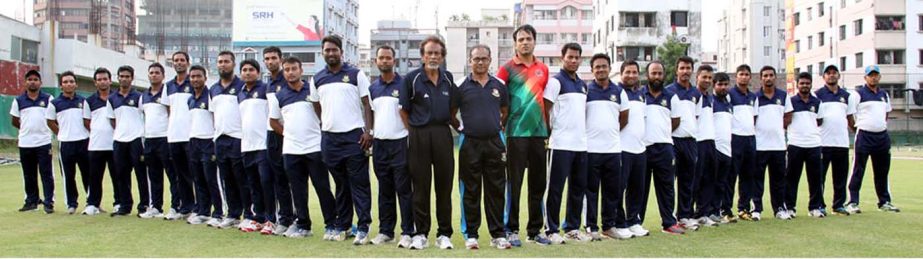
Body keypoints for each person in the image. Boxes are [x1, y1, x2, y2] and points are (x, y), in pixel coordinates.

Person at [310, 35, 374, 244]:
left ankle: (364, 226)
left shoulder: (356, 74)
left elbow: (367, 104)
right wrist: (326, 124)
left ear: (341, 51)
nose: (330, 53)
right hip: (330, 139)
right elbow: (317, 105)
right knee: (340, 185)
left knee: (359, 184)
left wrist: (368, 131)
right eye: (327, 50)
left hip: (355, 137)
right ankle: (344, 226)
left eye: (334, 50)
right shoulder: (317, 78)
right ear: (323, 53)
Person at [399, 36, 458, 250]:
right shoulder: (411, 79)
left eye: (437, 53)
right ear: (422, 56)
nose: (433, 56)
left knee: (444, 186)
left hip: (443, 134)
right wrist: (414, 132)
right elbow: (403, 110)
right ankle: (421, 233)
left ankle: (444, 234)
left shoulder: (448, 78)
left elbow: (453, 109)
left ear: (442, 56)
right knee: (421, 187)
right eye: (429, 53)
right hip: (419, 135)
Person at [269, 56, 337, 238]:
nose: (290, 73)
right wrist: (289, 134)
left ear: (301, 71)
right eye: (287, 69)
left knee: (322, 187)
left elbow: (325, 113)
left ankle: (332, 224)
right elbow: (273, 122)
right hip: (291, 150)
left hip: (315, 148)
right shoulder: (280, 95)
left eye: (294, 69)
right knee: (298, 191)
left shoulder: (313, 90)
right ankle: (304, 226)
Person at [496, 24, 551, 247]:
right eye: (521, 39)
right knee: (514, 184)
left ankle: (535, 230)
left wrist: (547, 128)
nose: (525, 42)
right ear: (515, 43)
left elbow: (544, 101)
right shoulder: (507, 69)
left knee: (538, 184)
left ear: (534, 41)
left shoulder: (543, 69)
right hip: (515, 133)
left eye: (529, 38)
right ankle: (511, 229)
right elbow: (498, 98)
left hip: (539, 133)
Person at [454, 45, 511, 250]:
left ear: (490, 60)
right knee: (470, 190)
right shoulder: (460, 85)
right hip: (470, 143)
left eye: (484, 59)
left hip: (495, 143)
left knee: (496, 189)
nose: (480, 62)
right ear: (470, 60)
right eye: (476, 58)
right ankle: (471, 234)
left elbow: (504, 111)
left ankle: (498, 234)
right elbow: (452, 113)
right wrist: (462, 128)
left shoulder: (500, 85)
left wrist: (495, 125)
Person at [367, 45, 414, 247]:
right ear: (376, 62)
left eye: (388, 58)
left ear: (394, 61)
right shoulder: (372, 88)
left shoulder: (404, 84)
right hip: (380, 145)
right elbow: (369, 114)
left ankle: (407, 231)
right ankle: (386, 231)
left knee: (403, 189)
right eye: (381, 58)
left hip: (400, 143)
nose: (384, 61)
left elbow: (410, 113)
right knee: (384, 190)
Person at [543, 43, 589, 244]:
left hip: (580, 145)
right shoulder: (555, 82)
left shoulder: (582, 84)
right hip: (560, 144)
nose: (573, 60)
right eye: (570, 57)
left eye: (577, 57)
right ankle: (551, 229)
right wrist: (548, 134)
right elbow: (546, 110)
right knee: (555, 189)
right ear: (562, 58)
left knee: (577, 189)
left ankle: (571, 227)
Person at [584, 53, 630, 240]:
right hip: (591, 150)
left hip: (612, 150)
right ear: (592, 70)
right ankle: (591, 227)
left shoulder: (619, 92)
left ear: (610, 69)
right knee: (591, 191)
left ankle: (609, 226)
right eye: (597, 67)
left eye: (604, 66)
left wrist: (609, 132)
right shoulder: (587, 91)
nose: (601, 69)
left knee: (612, 191)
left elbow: (624, 118)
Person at [846, 65, 901, 213]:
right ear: (865, 77)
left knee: (882, 170)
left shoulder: (884, 94)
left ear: (879, 77)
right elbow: (850, 114)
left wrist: (879, 126)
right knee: (858, 169)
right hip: (864, 135)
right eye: (871, 75)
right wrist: (858, 128)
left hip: (882, 136)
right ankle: (852, 201)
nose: (874, 77)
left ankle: (884, 201)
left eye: (876, 75)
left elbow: (886, 114)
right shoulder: (858, 94)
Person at [640, 61, 685, 234]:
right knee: (640, 188)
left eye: (660, 73)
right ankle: (635, 222)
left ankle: (668, 223)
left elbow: (675, 121)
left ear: (664, 75)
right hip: (643, 147)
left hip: (665, 147)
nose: (657, 77)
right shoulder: (640, 95)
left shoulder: (671, 96)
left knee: (666, 187)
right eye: (653, 73)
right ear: (648, 75)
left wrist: (661, 135)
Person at [209, 50, 252, 229]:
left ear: (233, 64)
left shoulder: (242, 85)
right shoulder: (213, 89)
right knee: (226, 178)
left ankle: (249, 214)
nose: (223, 65)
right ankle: (233, 214)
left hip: (238, 137)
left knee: (242, 178)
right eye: (220, 62)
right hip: (220, 139)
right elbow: (213, 115)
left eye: (226, 61)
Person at [45, 71, 90, 215]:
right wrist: (61, 133)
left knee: (87, 174)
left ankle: (92, 202)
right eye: (65, 82)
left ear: (76, 84)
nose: (68, 84)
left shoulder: (83, 101)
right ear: (61, 85)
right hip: (65, 144)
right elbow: (50, 122)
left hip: (84, 141)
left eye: (71, 81)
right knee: (68, 176)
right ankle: (71, 203)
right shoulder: (54, 103)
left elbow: (88, 120)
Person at [184, 65, 224, 226]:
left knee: (211, 178)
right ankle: (203, 211)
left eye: (198, 76)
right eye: (192, 77)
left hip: (208, 141)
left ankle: (219, 213)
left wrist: (215, 141)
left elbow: (216, 119)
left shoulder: (210, 95)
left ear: (205, 78)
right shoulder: (190, 99)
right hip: (193, 141)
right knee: (198, 179)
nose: (195, 79)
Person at [262, 46, 295, 235]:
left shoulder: (288, 79)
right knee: (279, 179)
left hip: (289, 135)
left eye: (273, 58)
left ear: (281, 59)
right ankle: (284, 218)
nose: (270, 61)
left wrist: (287, 134)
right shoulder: (268, 83)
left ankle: (297, 217)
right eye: (266, 58)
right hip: (273, 135)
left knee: (293, 178)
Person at [814, 64, 856, 216]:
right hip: (823, 142)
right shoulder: (817, 95)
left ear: (839, 76)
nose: (831, 75)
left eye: (834, 73)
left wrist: (858, 132)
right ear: (824, 77)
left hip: (841, 143)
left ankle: (838, 205)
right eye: (828, 73)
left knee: (840, 176)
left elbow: (850, 118)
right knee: (820, 177)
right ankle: (819, 205)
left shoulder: (847, 96)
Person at [11, 70, 54, 214]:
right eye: (29, 79)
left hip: (43, 142)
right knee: (28, 174)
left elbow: (52, 118)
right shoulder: (18, 100)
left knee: (46, 173)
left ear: (40, 82)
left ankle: (48, 202)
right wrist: (27, 130)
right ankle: (31, 201)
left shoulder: (48, 99)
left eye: (35, 79)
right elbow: (15, 121)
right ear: (25, 82)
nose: (32, 82)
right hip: (25, 143)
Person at [161, 51, 197, 221]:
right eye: (176, 60)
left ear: (188, 63)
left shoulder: (196, 82)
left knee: (195, 173)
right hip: (174, 136)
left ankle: (200, 207)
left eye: (182, 60)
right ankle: (186, 207)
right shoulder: (168, 86)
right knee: (180, 174)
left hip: (190, 135)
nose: (179, 63)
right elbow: (168, 110)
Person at [666, 56, 700, 231]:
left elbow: (696, 117)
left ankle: (685, 215)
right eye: (682, 68)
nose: (685, 71)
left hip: (690, 141)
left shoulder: (696, 93)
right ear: (676, 70)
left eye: (688, 68)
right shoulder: (669, 91)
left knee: (688, 181)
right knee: (671, 181)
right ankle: (670, 218)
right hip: (673, 141)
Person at [237, 59, 271, 233]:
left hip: (263, 145)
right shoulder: (240, 93)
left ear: (258, 72)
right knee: (253, 184)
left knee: (266, 182)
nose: (247, 72)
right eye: (244, 70)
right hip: (246, 146)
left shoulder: (265, 89)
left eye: (251, 69)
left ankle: (271, 218)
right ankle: (258, 217)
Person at [753, 66, 791, 220]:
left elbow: (788, 117)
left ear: (775, 77)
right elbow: (753, 119)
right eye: (765, 76)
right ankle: (756, 209)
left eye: (771, 75)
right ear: (761, 78)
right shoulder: (755, 97)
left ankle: (779, 208)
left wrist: (776, 128)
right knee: (757, 180)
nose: (768, 78)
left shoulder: (783, 96)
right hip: (760, 145)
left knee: (778, 180)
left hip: (778, 146)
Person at [784, 72, 824, 218]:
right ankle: (790, 207)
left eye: (807, 83)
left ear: (811, 84)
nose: (804, 86)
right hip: (795, 144)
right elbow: (786, 120)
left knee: (815, 178)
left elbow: (819, 121)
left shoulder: (817, 102)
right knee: (792, 178)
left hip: (814, 144)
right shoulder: (791, 101)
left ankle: (814, 207)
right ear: (797, 84)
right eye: (802, 83)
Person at [620, 59, 652, 238]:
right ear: (621, 73)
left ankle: (634, 221)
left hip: (640, 149)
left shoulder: (641, 94)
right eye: (628, 72)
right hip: (622, 148)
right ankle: (619, 222)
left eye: (634, 72)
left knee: (637, 189)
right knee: (619, 189)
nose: (631, 75)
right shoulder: (617, 92)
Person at [108, 65, 145, 217]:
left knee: (141, 174)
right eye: (121, 76)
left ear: (132, 78)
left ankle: (144, 206)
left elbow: (145, 116)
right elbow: (112, 121)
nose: (124, 79)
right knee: (121, 174)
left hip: (136, 139)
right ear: (118, 78)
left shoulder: (139, 97)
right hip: (119, 140)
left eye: (127, 76)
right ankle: (125, 205)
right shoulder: (112, 98)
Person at [138, 63, 170, 219]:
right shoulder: (143, 96)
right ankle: (156, 207)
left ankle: (177, 206)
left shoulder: (167, 92)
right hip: (149, 139)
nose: (154, 75)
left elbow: (171, 114)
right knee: (154, 175)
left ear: (163, 75)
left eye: (157, 72)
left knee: (172, 174)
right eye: (151, 72)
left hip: (165, 138)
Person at [82, 68, 116, 215]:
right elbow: (86, 122)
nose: (102, 81)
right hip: (96, 144)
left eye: (105, 79)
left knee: (118, 176)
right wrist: (98, 131)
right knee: (94, 177)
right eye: (99, 79)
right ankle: (93, 204)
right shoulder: (89, 101)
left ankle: (119, 202)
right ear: (95, 83)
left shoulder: (117, 98)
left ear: (110, 80)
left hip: (115, 144)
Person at [692, 65, 720, 226]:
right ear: (697, 77)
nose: (707, 80)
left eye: (710, 78)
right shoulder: (694, 95)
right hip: (697, 141)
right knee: (695, 180)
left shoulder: (710, 97)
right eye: (704, 77)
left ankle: (702, 212)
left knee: (709, 179)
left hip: (710, 142)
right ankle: (687, 213)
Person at [729, 65, 758, 221]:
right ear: (736, 76)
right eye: (741, 74)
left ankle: (744, 208)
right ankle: (725, 208)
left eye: (747, 74)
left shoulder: (753, 97)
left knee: (748, 176)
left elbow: (754, 118)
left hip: (750, 139)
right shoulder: (730, 94)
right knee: (731, 175)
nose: (744, 77)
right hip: (735, 138)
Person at [711, 72, 736, 223]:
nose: (723, 87)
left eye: (725, 84)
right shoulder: (710, 101)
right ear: (714, 85)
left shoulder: (728, 103)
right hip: (714, 148)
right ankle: (707, 211)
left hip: (727, 149)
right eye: (720, 84)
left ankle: (717, 211)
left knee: (722, 183)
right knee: (710, 182)